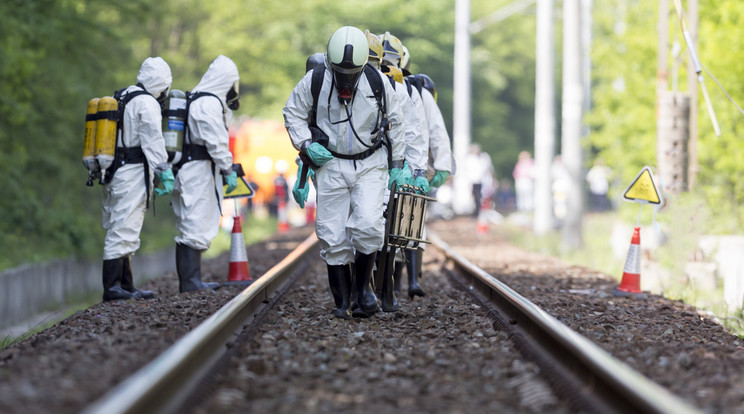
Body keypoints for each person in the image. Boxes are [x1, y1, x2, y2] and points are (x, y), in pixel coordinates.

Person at [283, 26, 407, 319]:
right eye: (341, 72)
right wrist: (305, 144)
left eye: (352, 74)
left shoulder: (377, 81)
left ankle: (364, 290)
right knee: (331, 233)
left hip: (370, 163)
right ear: (330, 63)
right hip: (331, 164)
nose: (346, 79)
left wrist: (397, 165)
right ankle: (343, 300)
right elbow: (293, 113)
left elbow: (397, 120)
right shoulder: (315, 80)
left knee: (368, 225)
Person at [100, 57, 175, 302]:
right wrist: (164, 171)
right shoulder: (146, 103)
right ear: (162, 84)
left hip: (115, 172)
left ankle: (127, 286)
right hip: (130, 173)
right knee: (123, 227)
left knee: (124, 226)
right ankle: (113, 289)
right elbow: (153, 141)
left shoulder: (124, 95)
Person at [171, 55, 240, 293]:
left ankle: (192, 280)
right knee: (194, 222)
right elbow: (216, 142)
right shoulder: (208, 103)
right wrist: (228, 167)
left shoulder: (196, 99)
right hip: (197, 171)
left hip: (189, 168)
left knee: (190, 222)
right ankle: (190, 283)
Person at [399, 41, 455, 299]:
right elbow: (437, 134)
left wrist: (440, 167)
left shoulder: (411, 91)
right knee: (410, 222)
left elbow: (435, 134)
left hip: (410, 168)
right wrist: (442, 167)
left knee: (406, 222)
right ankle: (410, 279)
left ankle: (409, 279)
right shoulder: (418, 91)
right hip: (410, 167)